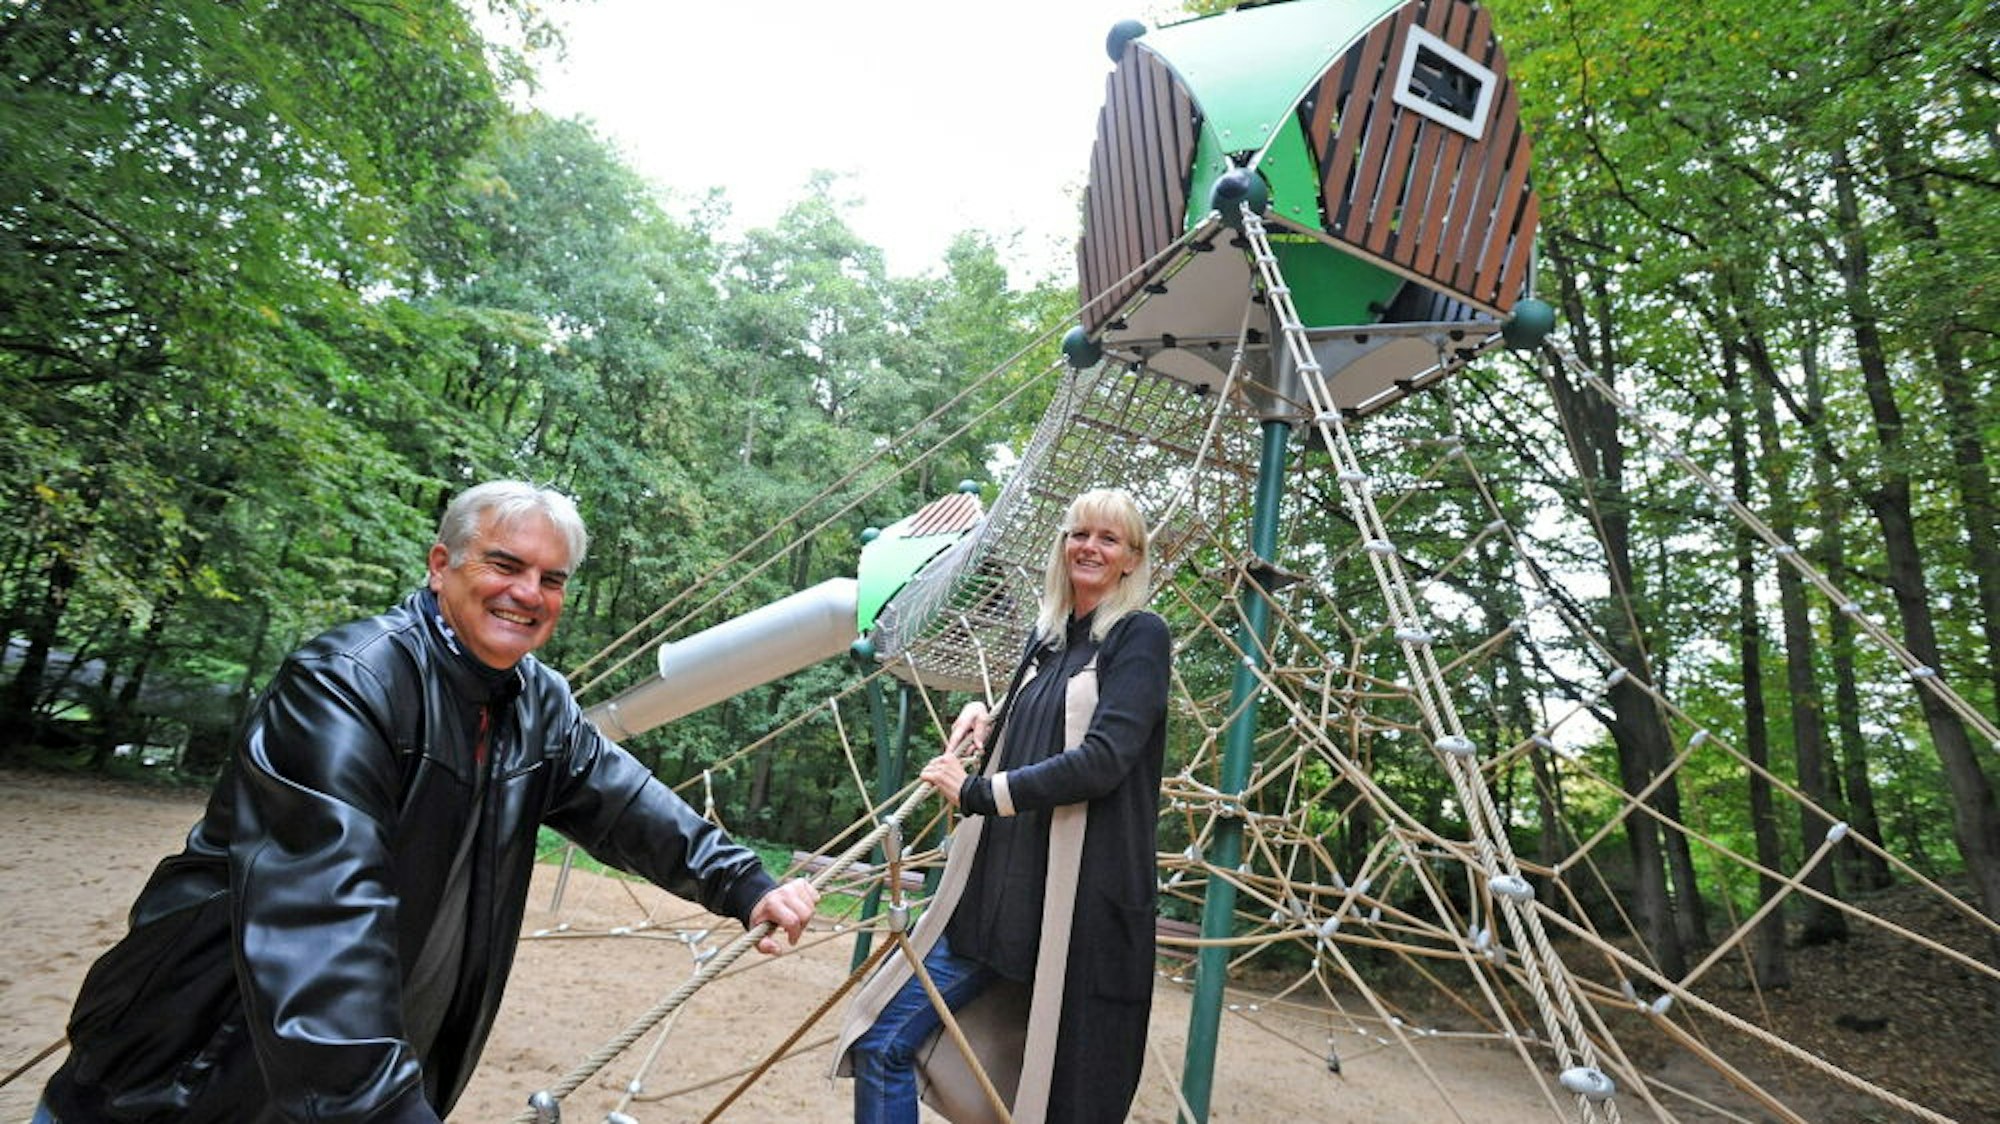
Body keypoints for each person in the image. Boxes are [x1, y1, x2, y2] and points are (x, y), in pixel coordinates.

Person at [33, 480, 818, 1124]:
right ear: (441, 563)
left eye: (550, 579)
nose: (527, 594)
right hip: (197, 1062)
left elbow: (623, 803)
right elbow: (321, 915)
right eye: (505, 565)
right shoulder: (348, 683)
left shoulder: (536, 702)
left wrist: (745, 883)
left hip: (360, 1074)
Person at [835, 487, 1172, 1124]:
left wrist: (977, 792)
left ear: (1132, 558)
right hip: (996, 898)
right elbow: (1043, 728)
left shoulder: (1139, 637)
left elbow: (1103, 760)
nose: (1089, 547)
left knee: (1058, 1099)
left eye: (1108, 538)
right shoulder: (1046, 639)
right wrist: (991, 719)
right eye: (1079, 533)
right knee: (881, 1040)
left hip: (1075, 909)